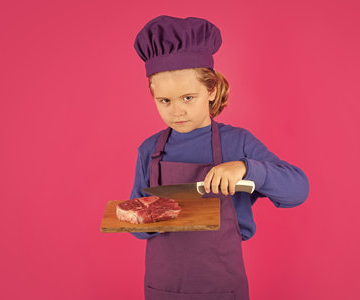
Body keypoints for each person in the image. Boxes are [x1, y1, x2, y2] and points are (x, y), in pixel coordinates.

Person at [129, 15, 309, 300]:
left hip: (222, 290)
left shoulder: (237, 143)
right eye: (165, 101)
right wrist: (152, 213)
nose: (176, 111)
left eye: (188, 97)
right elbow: (135, 229)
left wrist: (246, 169)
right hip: (163, 289)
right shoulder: (148, 150)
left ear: (211, 90)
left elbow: (298, 190)